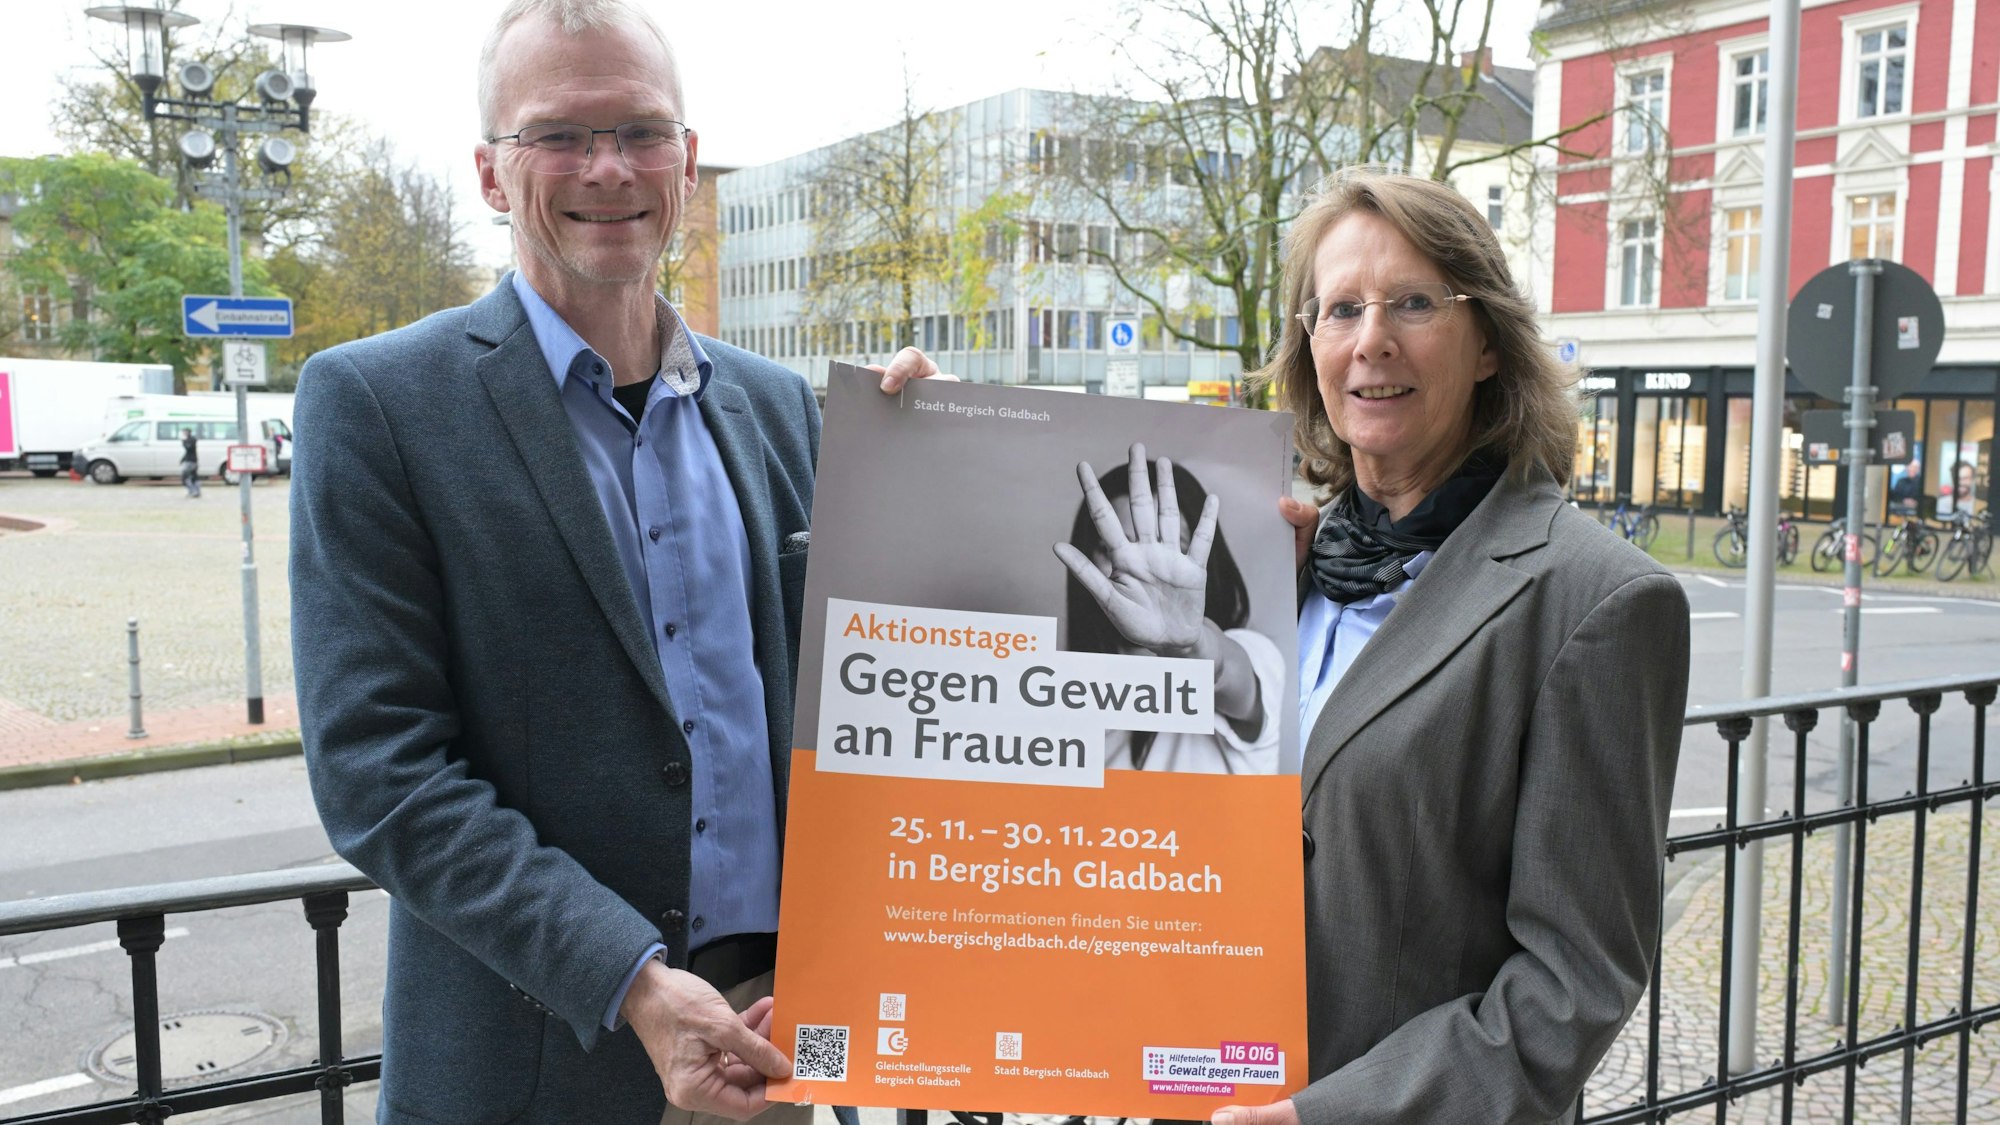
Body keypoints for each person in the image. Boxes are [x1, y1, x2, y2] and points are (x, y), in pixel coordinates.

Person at [288, 3, 938, 1122]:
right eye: (558, 135)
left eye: (640, 131)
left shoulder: (789, 412)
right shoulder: (378, 406)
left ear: (686, 164)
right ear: (493, 174)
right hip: (537, 1051)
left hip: (771, 1042)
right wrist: (630, 980)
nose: (607, 168)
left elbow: (902, 688)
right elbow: (378, 774)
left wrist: (955, 471)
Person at [1211, 169, 1690, 1125]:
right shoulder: (1267, 561)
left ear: (1486, 345)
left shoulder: (1593, 599)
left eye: (1415, 302)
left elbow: (1572, 983)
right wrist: (929, 442)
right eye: (1340, 307)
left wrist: (1331, 1115)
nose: (1371, 339)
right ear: (1311, 347)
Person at [1056, 444, 1282, 773]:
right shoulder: (1067, 694)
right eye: (1113, 550)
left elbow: (1226, 676)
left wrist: (1188, 645)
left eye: (1172, 549)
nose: (1141, 571)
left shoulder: (1253, 652)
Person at [178, 428, 200, 498]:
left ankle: (193, 491)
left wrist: (183, 441)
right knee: (194, 477)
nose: (183, 433)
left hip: (191, 461)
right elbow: (187, 452)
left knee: (185, 477)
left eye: (184, 432)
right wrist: (182, 460)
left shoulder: (191, 440)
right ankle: (196, 491)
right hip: (192, 460)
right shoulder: (191, 439)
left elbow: (188, 448)